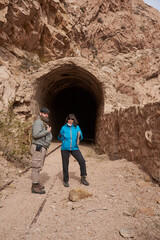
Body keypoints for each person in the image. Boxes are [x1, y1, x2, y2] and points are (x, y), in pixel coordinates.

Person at [58, 114, 89, 187]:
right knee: (65, 164)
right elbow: (60, 137)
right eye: (69, 119)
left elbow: (80, 137)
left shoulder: (77, 127)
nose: (70, 120)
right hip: (65, 148)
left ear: (74, 120)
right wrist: (61, 138)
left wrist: (80, 136)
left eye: (72, 119)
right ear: (67, 120)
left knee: (82, 161)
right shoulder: (63, 127)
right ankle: (65, 180)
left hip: (74, 148)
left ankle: (83, 177)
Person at [30, 107, 52, 194]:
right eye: (44, 113)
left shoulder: (43, 122)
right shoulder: (38, 122)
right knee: (36, 166)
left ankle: (36, 183)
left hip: (41, 147)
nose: (46, 115)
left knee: (39, 165)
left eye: (47, 114)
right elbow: (35, 134)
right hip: (38, 147)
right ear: (40, 113)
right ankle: (34, 186)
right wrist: (47, 131)